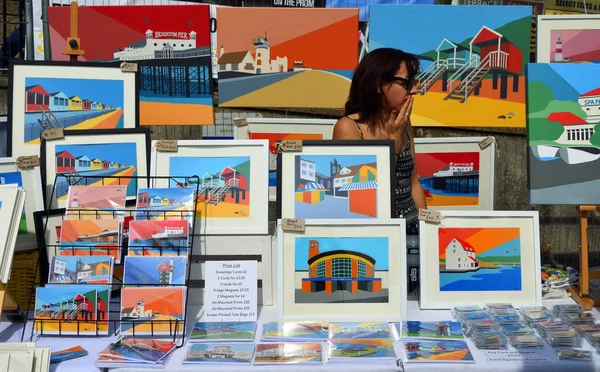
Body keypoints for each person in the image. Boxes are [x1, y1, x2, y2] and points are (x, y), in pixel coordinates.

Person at [332, 48, 427, 231]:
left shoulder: (403, 122)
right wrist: (393, 144)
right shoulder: (349, 127)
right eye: (407, 83)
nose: (414, 90)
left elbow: (414, 182)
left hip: (412, 230)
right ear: (378, 85)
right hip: (378, 234)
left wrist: (428, 232)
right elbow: (361, 195)